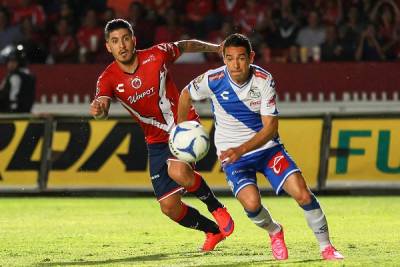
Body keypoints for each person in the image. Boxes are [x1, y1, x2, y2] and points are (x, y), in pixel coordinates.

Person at [177, 33, 344, 261]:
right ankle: (275, 231)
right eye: (229, 58)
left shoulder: (264, 80)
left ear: (251, 57)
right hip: (233, 157)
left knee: (302, 193)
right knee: (252, 204)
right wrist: (181, 130)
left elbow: (270, 129)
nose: (235, 64)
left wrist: (241, 149)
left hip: (266, 149)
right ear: (223, 59)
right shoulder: (212, 79)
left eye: (241, 58)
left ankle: (327, 248)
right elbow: (185, 94)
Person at [89, 19, 234, 252]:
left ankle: (216, 207)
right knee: (169, 207)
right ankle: (213, 231)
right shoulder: (107, 78)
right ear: (108, 47)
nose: (122, 45)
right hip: (155, 141)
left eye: (126, 39)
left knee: (178, 171)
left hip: (182, 125)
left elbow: (185, 45)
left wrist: (216, 48)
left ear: (134, 40)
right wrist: (98, 111)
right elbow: (102, 106)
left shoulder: (157, 55)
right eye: (115, 41)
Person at [0, 44, 36, 113]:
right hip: (20, 112)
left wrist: (13, 111)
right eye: (9, 61)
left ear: (19, 62)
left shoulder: (15, 76)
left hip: (12, 114)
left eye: (13, 61)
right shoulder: (25, 74)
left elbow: (13, 98)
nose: (10, 64)